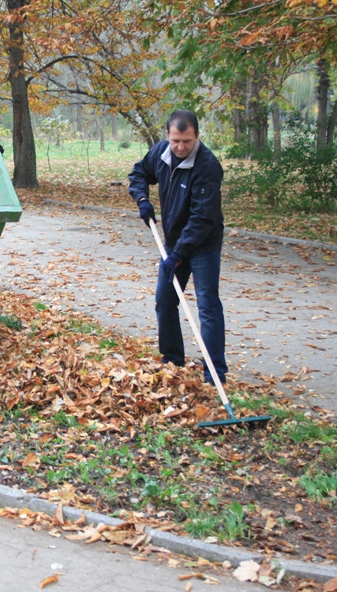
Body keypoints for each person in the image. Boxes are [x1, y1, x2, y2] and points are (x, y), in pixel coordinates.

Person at [128, 109, 227, 385]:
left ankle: (215, 373)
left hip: (203, 244)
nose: (180, 147)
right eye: (175, 141)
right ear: (167, 136)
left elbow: (202, 219)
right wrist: (142, 200)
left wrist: (177, 256)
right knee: (166, 300)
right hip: (173, 243)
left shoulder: (207, 166)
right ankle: (172, 359)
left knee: (207, 306)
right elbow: (138, 174)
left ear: (196, 136)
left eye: (187, 141)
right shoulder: (160, 153)